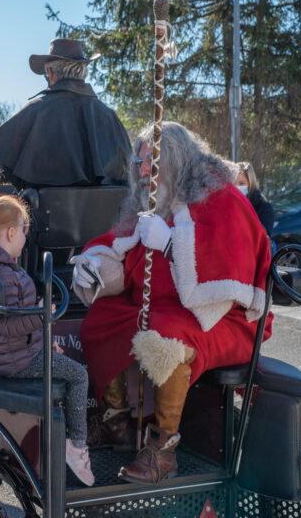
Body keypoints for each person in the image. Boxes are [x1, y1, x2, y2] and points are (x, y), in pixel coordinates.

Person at [70, 122, 273, 484]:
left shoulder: (221, 196)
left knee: (167, 334)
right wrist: (94, 265)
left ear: (177, 160)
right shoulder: (151, 201)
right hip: (165, 308)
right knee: (102, 317)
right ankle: (116, 420)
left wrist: (170, 243)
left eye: (153, 160)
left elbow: (230, 271)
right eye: (140, 161)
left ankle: (162, 451)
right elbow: (117, 242)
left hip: (221, 318)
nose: (144, 170)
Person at [0, 196, 96, 486]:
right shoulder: (4, 272)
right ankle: (77, 447)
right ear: (11, 233)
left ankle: (62, 440)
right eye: (25, 230)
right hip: (16, 360)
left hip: (13, 354)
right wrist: (43, 315)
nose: (26, 237)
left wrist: (41, 330)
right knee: (79, 376)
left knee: (67, 369)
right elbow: (9, 327)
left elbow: (14, 323)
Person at [0, 38, 131, 189]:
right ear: (83, 73)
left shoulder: (34, 111)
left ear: (50, 72)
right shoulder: (110, 117)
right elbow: (128, 175)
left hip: (37, 212)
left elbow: (0, 175)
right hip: (107, 212)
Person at [236, 161, 274, 236]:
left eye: (241, 183)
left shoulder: (264, 208)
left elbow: (262, 236)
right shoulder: (227, 206)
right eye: (234, 183)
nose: (236, 187)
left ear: (251, 183)